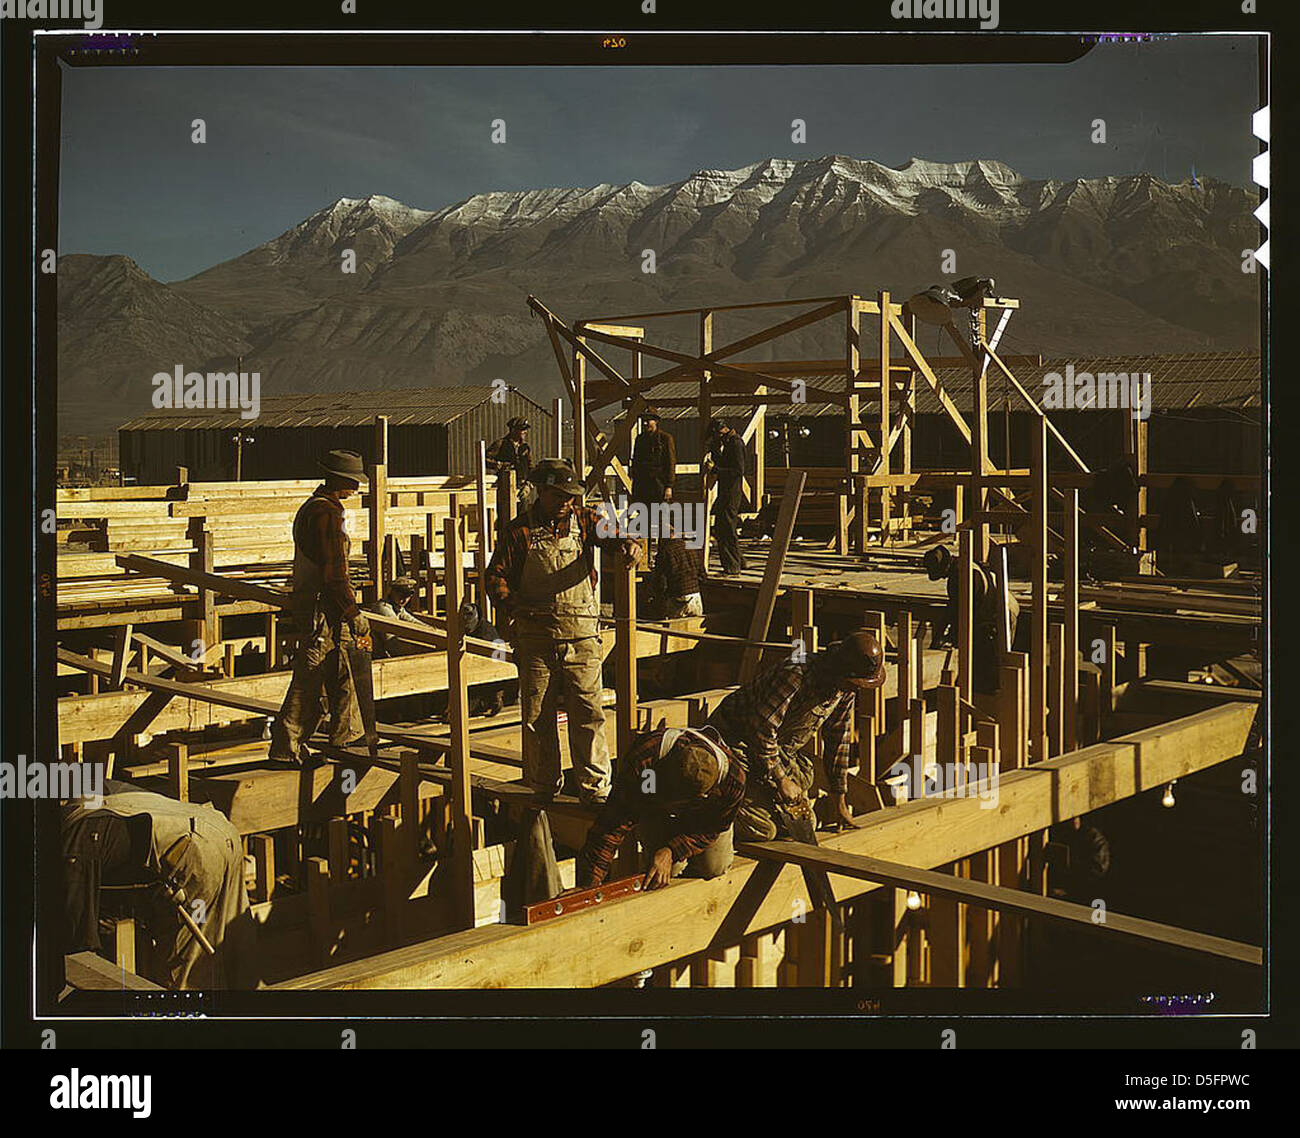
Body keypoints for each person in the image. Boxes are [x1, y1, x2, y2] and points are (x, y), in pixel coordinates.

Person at [485, 458, 642, 806]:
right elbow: (494, 577)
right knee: (537, 716)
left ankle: (595, 789)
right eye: (559, 496)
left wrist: (630, 544)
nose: (566, 503)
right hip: (537, 638)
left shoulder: (584, 521)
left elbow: (615, 536)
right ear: (541, 492)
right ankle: (543, 786)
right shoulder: (519, 532)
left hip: (582, 636)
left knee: (588, 712)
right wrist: (514, 608)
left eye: (571, 497)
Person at [707, 631, 887, 841]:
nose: (855, 690)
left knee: (804, 822)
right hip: (735, 744)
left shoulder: (845, 688)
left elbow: (838, 740)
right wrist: (781, 779)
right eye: (854, 683)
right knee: (764, 830)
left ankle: (753, 798)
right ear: (841, 672)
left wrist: (839, 799)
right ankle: (717, 802)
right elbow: (761, 731)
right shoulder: (796, 675)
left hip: (772, 752)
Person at [269, 449, 372, 764]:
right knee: (313, 674)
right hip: (323, 607)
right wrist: (352, 613)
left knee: (337, 671)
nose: (355, 489)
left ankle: (339, 740)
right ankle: (289, 748)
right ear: (339, 480)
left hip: (315, 602)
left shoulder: (311, 508)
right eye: (352, 482)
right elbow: (334, 573)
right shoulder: (326, 514)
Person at [576, 725, 745, 890]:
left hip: (702, 821)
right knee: (663, 873)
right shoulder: (646, 762)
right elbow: (613, 823)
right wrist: (590, 883)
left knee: (714, 867)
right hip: (654, 806)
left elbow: (712, 828)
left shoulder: (733, 782)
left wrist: (671, 850)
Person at [923, 544, 1019, 694]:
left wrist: (948, 636)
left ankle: (997, 696)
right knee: (981, 651)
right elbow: (955, 608)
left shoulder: (962, 575)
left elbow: (963, 613)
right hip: (994, 608)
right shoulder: (961, 568)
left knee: (996, 658)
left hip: (1004, 610)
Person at [703, 418, 746, 575]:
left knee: (726, 528)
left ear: (722, 430)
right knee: (725, 527)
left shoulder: (735, 443)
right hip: (726, 491)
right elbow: (725, 463)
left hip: (731, 491)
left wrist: (716, 469)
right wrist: (714, 450)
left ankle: (732, 566)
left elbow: (737, 471)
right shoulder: (728, 443)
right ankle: (739, 561)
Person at [646, 524, 705, 618]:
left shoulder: (665, 552)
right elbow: (702, 574)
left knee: (675, 630)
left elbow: (661, 582)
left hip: (678, 599)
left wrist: (657, 597)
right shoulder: (692, 548)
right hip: (696, 597)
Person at [364, 576, 425, 658]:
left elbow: (412, 621)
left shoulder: (397, 607)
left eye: (407, 597)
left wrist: (432, 630)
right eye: (401, 596)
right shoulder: (383, 608)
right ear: (392, 593)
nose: (404, 600)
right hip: (376, 653)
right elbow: (392, 643)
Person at [630, 410, 676, 510]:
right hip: (642, 486)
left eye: (648, 420)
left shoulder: (665, 439)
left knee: (660, 518)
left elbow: (670, 463)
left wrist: (669, 486)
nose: (645, 423)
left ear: (656, 421)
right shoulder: (640, 439)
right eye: (644, 421)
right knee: (643, 518)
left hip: (659, 485)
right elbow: (636, 462)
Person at [486, 416, 532, 485]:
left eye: (526, 429)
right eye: (522, 429)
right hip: (504, 484)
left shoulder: (525, 447)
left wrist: (529, 484)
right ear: (513, 430)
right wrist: (499, 465)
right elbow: (484, 460)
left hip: (521, 486)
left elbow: (530, 466)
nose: (525, 432)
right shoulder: (501, 444)